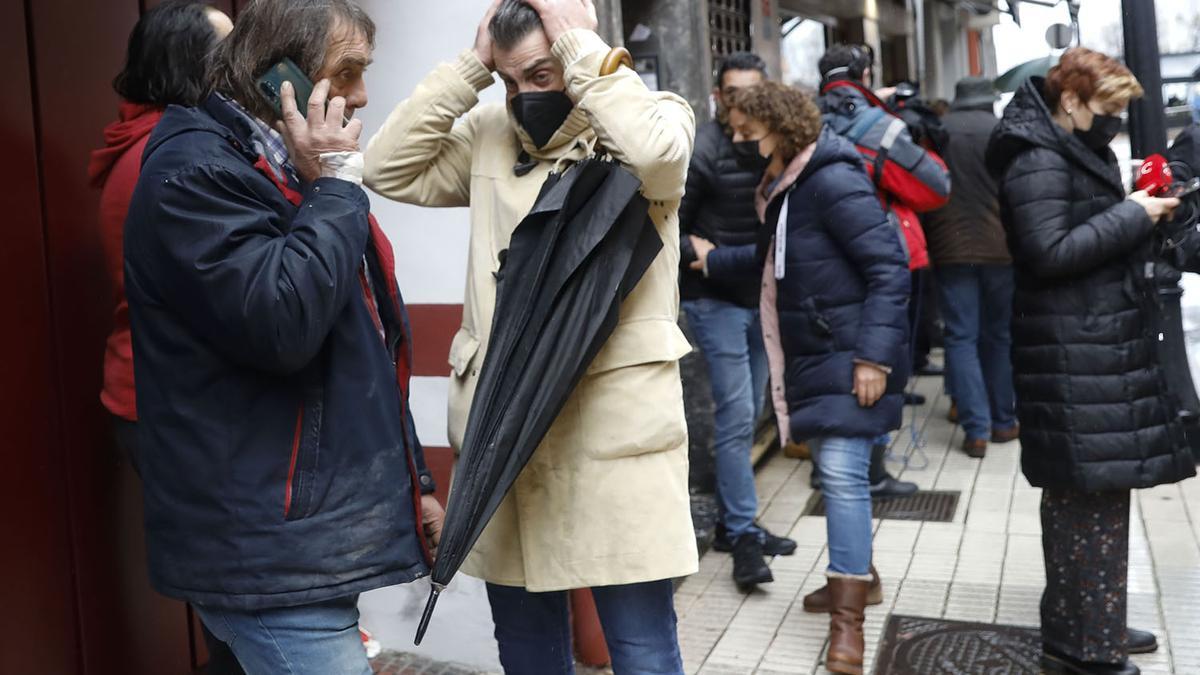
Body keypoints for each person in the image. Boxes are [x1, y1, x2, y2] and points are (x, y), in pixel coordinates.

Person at [364, 0, 697, 672]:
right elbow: (386, 167)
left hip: (613, 439)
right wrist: (469, 69)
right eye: (512, 79)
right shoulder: (491, 132)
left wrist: (580, 51)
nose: (525, 96)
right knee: (526, 647)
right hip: (504, 433)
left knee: (641, 645)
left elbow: (658, 159)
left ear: (576, 58)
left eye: (541, 75)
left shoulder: (649, 117)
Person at [122, 2, 445, 673]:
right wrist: (335, 186)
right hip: (265, 550)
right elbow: (282, 320)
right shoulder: (195, 172)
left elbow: (367, 338)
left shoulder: (283, 163)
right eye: (347, 72)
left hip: (295, 539)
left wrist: (414, 481)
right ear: (281, 77)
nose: (360, 93)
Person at [987, 47, 1195, 675]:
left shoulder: (1070, 145)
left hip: (1088, 349)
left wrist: (1137, 204)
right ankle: (1086, 650)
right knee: (1088, 503)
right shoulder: (1036, 158)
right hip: (1071, 354)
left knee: (1091, 502)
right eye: (1107, 109)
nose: (1114, 122)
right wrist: (1133, 213)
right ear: (1070, 100)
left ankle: (1089, 623)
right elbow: (1048, 251)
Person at [724, 81, 910, 675]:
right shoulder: (789, 184)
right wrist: (704, 258)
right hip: (820, 356)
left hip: (849, 354)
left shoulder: (828, 178)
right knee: (837, 480)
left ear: (779, 126)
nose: (736, 137)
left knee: (841, 476)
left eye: (745, 128)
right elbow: (773, 262)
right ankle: (858, 579)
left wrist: (872, 359)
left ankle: (847, 623)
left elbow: (889, 266)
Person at [88, 3, 242, 673]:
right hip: (177, 409)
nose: (246, 66)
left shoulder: (153, 146)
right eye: (230, 53)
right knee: (241, 605)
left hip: (163, 402)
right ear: (194, 67)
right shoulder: (170, 160)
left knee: (233, 601)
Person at [677, 51, 797, 590]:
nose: (741, 103)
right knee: (736, 412)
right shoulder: (702, 147)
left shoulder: (777, 143)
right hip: (713, 298)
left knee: (750, 414)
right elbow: (664, 223)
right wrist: (692, 249)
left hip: (761, 298)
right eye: (733, 93)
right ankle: (743, 528)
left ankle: (732, 521)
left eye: (752, 92)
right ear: (718, 96)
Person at [814, 43, 949, 499]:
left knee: (829, 361)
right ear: (866, 74)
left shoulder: (803, 121)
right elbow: (935, 187)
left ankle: (828, 460)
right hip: (881, 251)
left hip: (816, 258)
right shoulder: (879, 126)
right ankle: (870, 470)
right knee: (880, 361)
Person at [922, 77, 1017, 459]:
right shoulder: (1002, 131)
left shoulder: (939, 132)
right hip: (1000, 248)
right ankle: (1003, 421)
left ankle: (974, 430)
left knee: (960, 338)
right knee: (999, 336)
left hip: (951, 249)